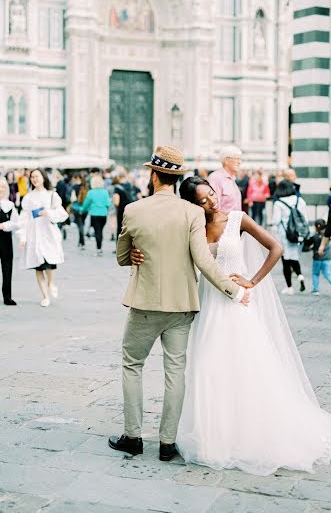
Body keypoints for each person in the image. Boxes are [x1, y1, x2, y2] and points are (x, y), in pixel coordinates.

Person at [132, 176, 331, 475]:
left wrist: (252, 281)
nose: (211, 201)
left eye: (211, 194)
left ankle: (248, 431)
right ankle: (215, 434)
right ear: (192, 204)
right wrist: (136, 254)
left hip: (236, 304)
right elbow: (169, 252)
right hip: (206, 304)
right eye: (202, 200)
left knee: (245, 367)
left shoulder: (237, 219)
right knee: (207, 368)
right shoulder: (193, 225)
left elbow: (275, 248)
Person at [108, 146, 249, 463]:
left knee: (133, 366)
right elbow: (203, 261)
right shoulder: (193, 213)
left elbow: (120, 256)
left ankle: (133, 436)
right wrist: (234, 291)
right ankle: (167, 444)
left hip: (144, 305)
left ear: (154, 175)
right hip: (182, 306)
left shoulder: (133, 210)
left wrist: (132, 254)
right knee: (176, 372)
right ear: (176, 177)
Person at [18, 169, 68, 307]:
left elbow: (62, 214)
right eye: (32, 177)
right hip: (34, 234)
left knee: (50, 264)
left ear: (43, 178)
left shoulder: (52, 195)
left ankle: (51, 283)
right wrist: (22, 237)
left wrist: (49, 212)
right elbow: (24, 218)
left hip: (49, 234)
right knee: (38, 267)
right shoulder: (28, 198)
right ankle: (45, 296)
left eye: (37, 176)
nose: (35, 179)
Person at [272, 180, 307, 295]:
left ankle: (289, 287)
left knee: (286, 260)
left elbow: (276, 222)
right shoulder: (300, 200)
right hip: (297, 235)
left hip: (284, 236)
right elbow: (305, 219)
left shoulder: (279, 203)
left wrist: (273, 238)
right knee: (294, 257)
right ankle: (300, 275)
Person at [305, 219, 331, 297]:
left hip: (317, 258)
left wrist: (311, 247)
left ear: (316, 227)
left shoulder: (314, 237)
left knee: (315, 274)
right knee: (327, 273)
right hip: (327, 258)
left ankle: (316, 290)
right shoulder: (327, 236)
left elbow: (307, 244)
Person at [0, 178, 20, 305]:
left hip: (5, 241)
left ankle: (7, 297)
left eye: (2, 187)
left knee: (7, 270)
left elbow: (17, 223)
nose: (0, 190)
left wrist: (4, 226)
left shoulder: (10, 206)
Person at [81, 175, 111, 256]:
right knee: (100, 231)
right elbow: (108, 204)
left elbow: (86, 204)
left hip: (94, 214)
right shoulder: (105, 192)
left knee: (97, 231)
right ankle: (100, 248)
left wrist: (82, 210)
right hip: (104, 215)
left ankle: (99, 249)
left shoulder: (91, 192)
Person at [208, 146, 242, 212]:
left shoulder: (232, 179)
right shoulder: (215, 178)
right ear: (226, 160)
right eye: (237, 159)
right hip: (223, 222)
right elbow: (213, 207)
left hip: (235, 221)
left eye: (240, 159)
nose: (239, 162)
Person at [113, 173, 133, 239]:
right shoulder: (131, 186)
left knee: (120, 229)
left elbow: (116, 202)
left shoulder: (117, 187)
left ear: (119, 178)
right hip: (132, 209)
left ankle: (119, 248)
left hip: (122, 211)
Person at [70, 174, 88, 250]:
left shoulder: (74, 187)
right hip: (85, 209)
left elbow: (73, 198)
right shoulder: (86, 187)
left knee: (80, 226)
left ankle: (82, 242)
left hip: (77, 208)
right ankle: (80, 241)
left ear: (77, 178)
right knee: (82, 224)